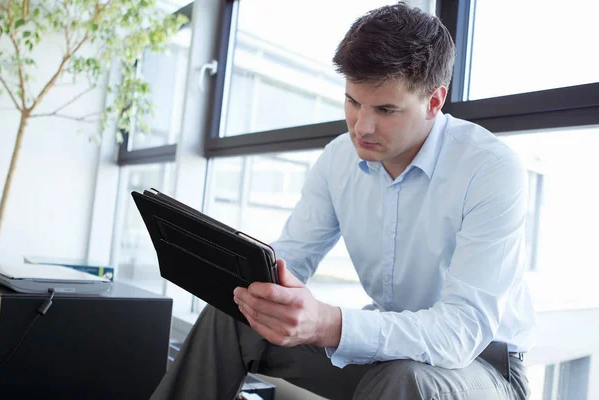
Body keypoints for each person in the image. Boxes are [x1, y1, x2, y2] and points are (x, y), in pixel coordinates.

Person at [151, 2, 535, 399]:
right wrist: (257, 288)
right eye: (353, 102)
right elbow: (290, 261)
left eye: (386, 109)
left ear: (434, 102)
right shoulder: (338, 158)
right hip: (388, 356)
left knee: (405, 379)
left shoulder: (489, 169)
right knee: (237, 314)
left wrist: (328, 324)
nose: (362, 127)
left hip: (482, 368)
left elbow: (460, 332)